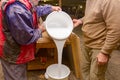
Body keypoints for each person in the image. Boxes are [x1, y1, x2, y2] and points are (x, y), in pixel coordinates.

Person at [0, 0, 61, 80]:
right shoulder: (17, 10)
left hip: (18, 51)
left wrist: (51, 8)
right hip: (13, 55)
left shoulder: (25, 3)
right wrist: (41, 28)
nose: (39, 0)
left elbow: (36, 10)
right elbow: (25, 38)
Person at [73, 0, 120, 80]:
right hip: (87, 42)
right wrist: (81, 20)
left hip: (99, 47)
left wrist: (105, 52)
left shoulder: (110, 2)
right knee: (84, 71)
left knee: (95, 77)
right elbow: (92, 15)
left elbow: (116, 29)